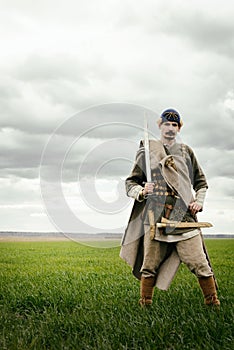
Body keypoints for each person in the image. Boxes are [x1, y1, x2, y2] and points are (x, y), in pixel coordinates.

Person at [120, 108, 220, 307]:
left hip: (184, 218)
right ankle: (145, 304)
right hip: (156, 218)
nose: (170, 129)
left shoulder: (186, 152)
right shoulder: (147, 152)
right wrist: (142, 190)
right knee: (148, 266)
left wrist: (198, 202)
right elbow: (130, 184)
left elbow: (201, 183)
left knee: (200, 263)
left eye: (175, 125)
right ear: (159, 126)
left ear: (179, 128)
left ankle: (213, 303)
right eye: (167, 124)